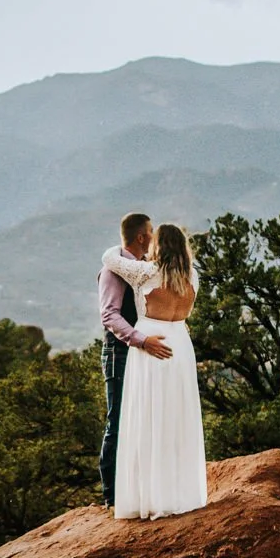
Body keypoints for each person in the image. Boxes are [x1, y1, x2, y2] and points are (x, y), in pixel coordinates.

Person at [102, 223, 208, 519]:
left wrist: (118, 246)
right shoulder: (193, 277)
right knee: (177, 417)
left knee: (149, 416)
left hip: (151, 344)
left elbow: (110, 259)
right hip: (180, 344)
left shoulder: (146, 273)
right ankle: (180, 493)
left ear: (157, 246)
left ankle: (148, 496)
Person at [98, 212, 170, 506]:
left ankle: (137, 488)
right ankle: (112, 496)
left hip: (141, 351)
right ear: (142, 237)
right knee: (118, 421)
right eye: (151, 232)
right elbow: (109, 315)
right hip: (121, 352)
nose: (153, 237)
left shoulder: (140, 268)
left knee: (142, 418)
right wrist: (141, 340)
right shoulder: (113, 271)